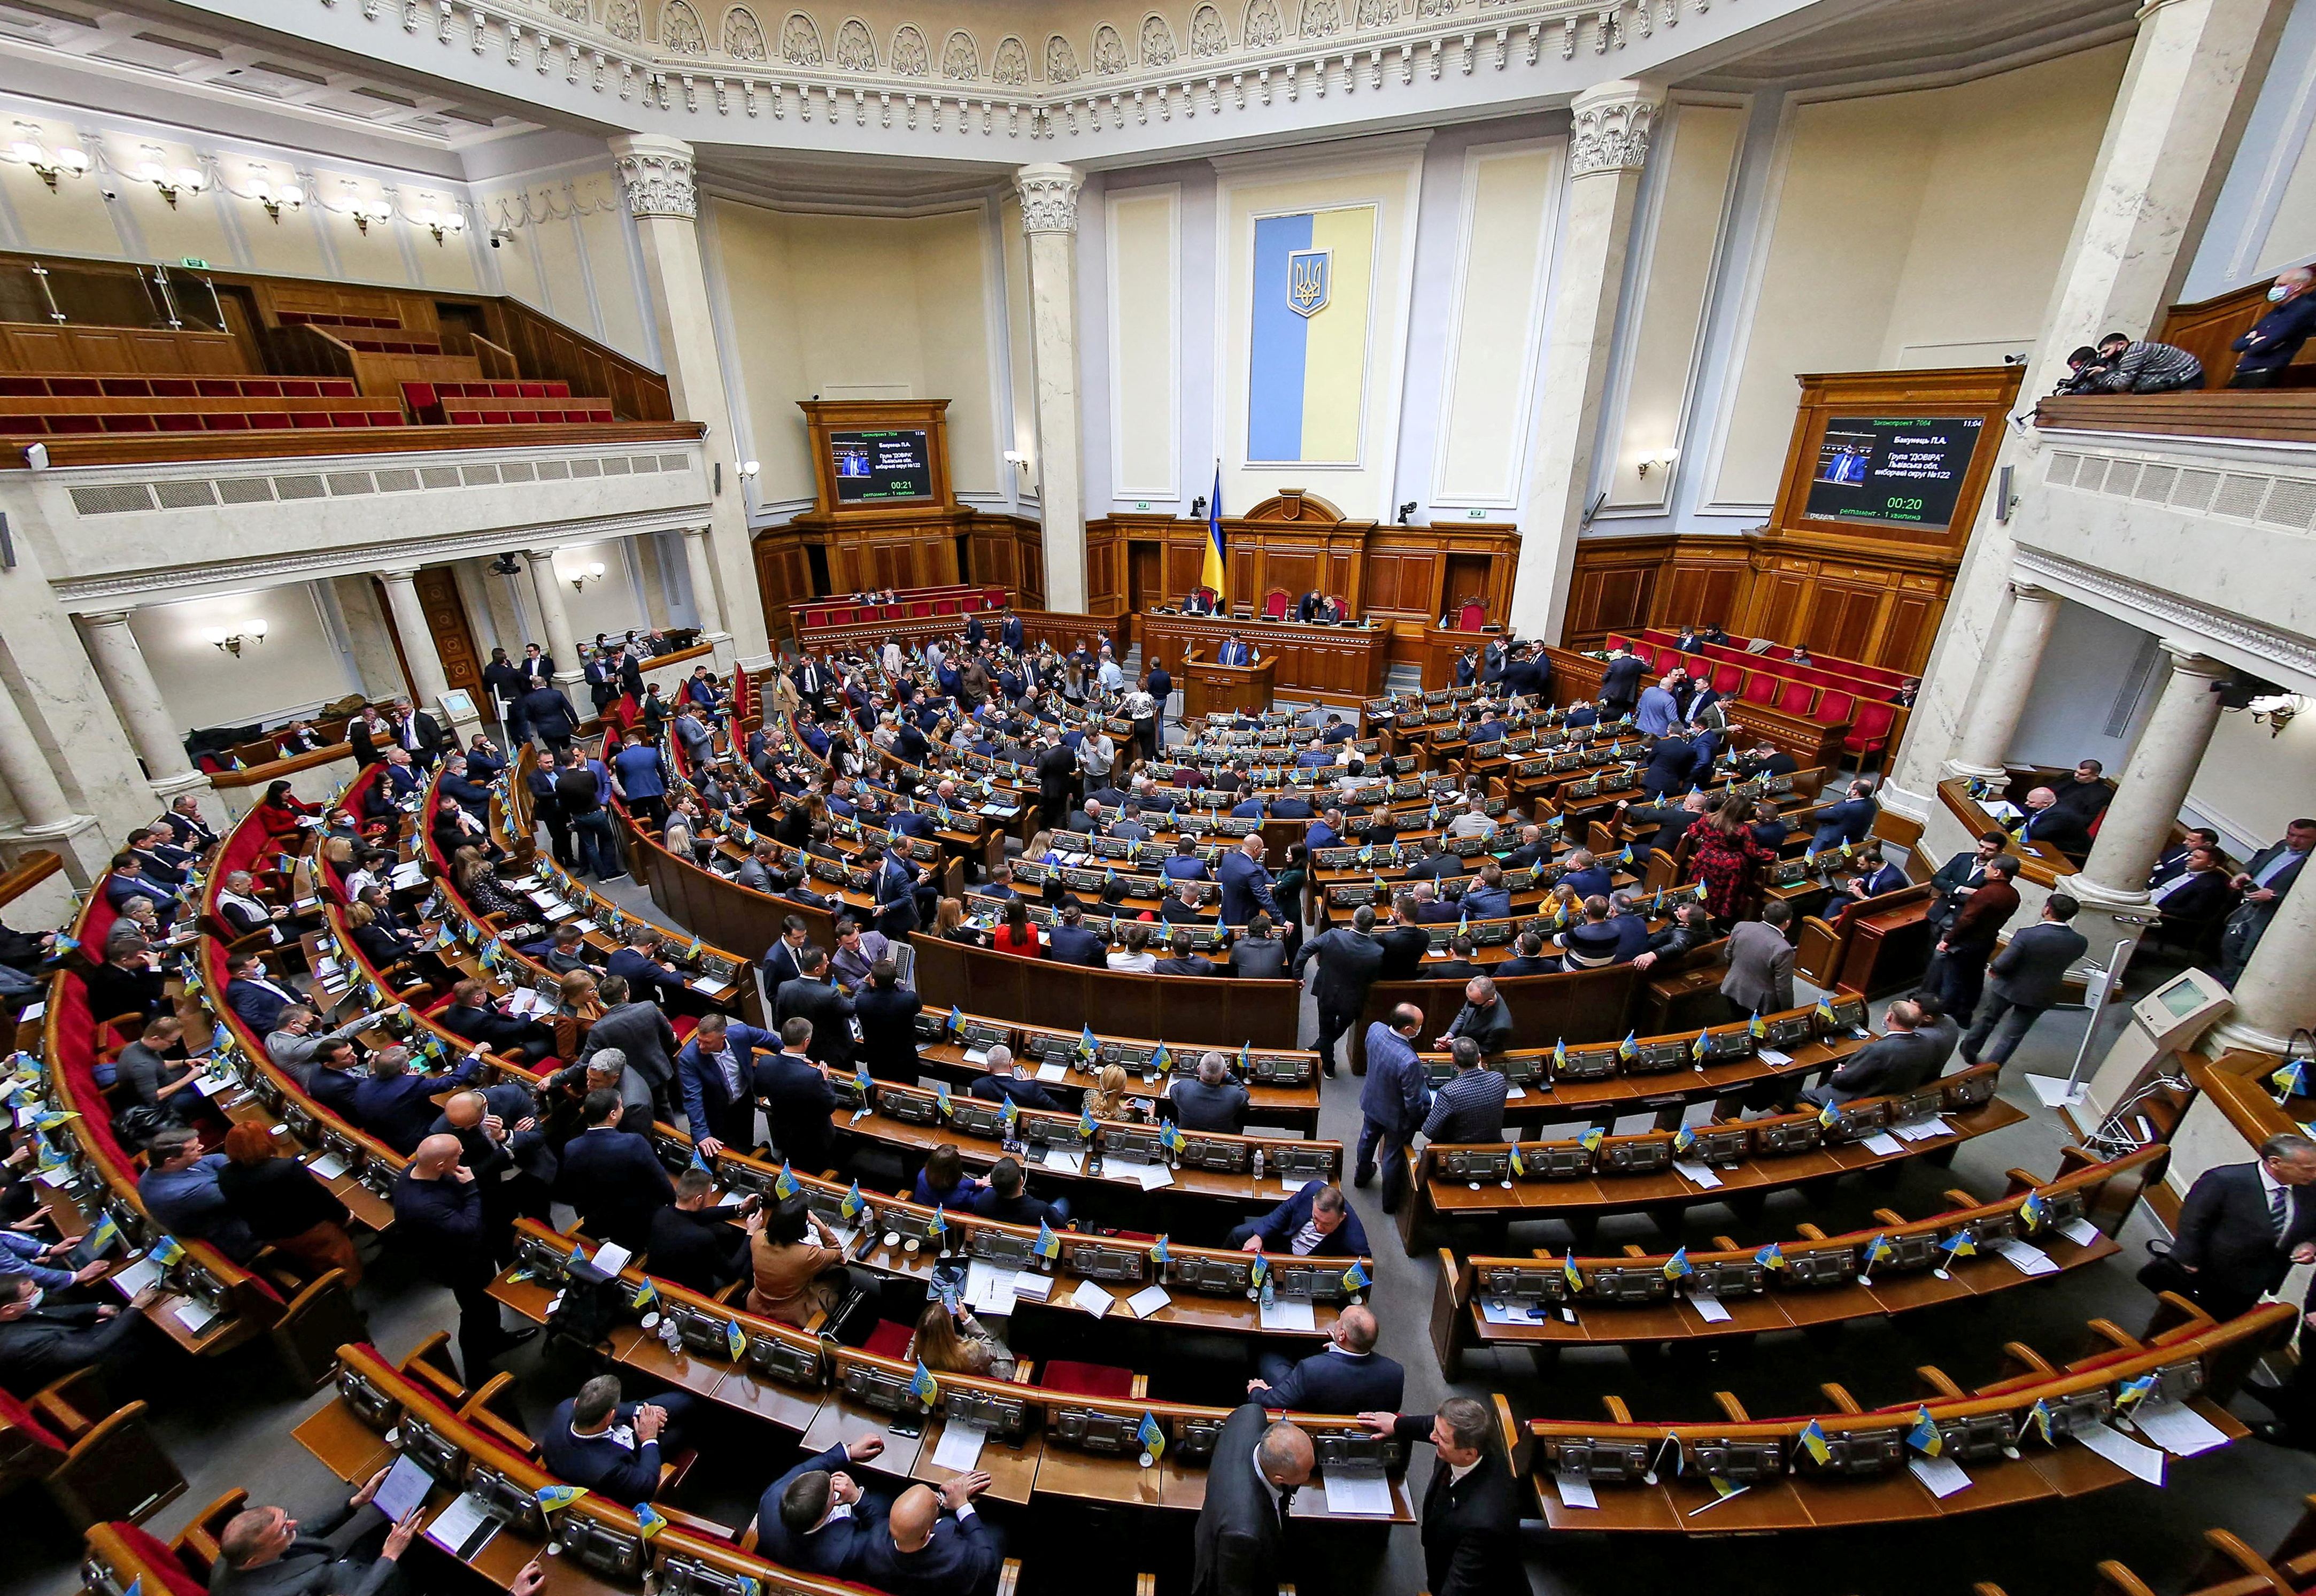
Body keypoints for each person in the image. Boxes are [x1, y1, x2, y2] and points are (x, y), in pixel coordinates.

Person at [1355, 1398, 1533, 1596]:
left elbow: (1460, 1586)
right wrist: (1397, 1424)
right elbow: (1434, 1425)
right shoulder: (1469, 1440)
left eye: (1441, 1438)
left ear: (1469, 1454)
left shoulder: (1485, 1523)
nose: (1432, 1437)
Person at [392, 1134, 534, 1383]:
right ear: (439, 1165)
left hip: (467, 1254)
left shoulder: (415, 1172)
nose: (462, 1157)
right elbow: (468, 1227)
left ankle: (496, 1337)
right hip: (460, 1264)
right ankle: (477, 1373)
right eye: (457, 1154)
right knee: (475, 1312)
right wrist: (471, 1188)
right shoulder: (425, 1206)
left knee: (486, 1306)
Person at [2170, 1133, 2316, 1321]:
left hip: (2258, 1281)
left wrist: (2311, 1244)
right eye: (2308, 1169)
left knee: (2222, 1330)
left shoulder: (2310, 1189)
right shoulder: (2224, 1180)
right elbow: (2193, 1221)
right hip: (2208, 1276)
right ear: (2275, 1162)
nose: (2314, 1175)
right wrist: (2187, 1259)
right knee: (2179, 1325)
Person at [210, 1471, 427, 1596]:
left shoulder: (235, 1546)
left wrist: (353, 1505)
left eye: (285, 1516)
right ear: (253, 1561)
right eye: (283, 1529)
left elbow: (299, 1533)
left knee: (393, 1529)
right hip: (363, 1589)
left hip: (337, 1567)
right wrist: (389, 1557)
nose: (293, 1523)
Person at [217, 1123, 360, 1284]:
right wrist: (345, 1216)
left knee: (312, 1258)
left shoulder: (225, 1175)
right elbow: (320, 1196)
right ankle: (350, 1284)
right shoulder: (286, 1168)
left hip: (273, 1236)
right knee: (342, 1260)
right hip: (310, 1231)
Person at [1191, 1406, 1313, 1596]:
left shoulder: (1251, 1414)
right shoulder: (1243, 1533)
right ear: (1280, 1478)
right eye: (1306, 1473)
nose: (1309, 1477)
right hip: (1233, 1564)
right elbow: (1234, 1590)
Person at [1960, 895, 2089, 1067]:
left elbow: (2003, 962)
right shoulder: (2080, 942)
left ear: (2047, 910)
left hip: (2008, 986)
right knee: (2013, 1036)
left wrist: (1995, 970)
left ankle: (1969, 1050)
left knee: (1989, 1019)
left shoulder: (2027, 935)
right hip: (2042, 992)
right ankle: (1988, 1071)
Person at [540, 1374, 697, 1502]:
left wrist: (639, 1410)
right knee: (685, 1428)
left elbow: (609, 1409)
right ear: (610, 1416)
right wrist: (649, 1438)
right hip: (636, 1452)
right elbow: (647, 1485)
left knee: (684, 1401)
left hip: (622, 1429)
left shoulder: (565, 1408)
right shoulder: (608, 1471)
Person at [557, 1088, 677, 1248]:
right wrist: (672, 1203)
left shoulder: (571, 1148)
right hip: (640, 1219)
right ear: (613, 1114)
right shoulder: (634, 1143)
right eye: (621, 1106)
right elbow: (661, 1184)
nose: (623, 1109)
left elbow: (574, 1190)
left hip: (600, 1220)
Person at [760, 1433, 892, 1577]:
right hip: (861, 1526)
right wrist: (856, 1497)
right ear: (820, 1520)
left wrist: (849, 1452)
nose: (836, 1486)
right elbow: (881, 1537)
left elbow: (806, 1467)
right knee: (884, 1500)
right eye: (833, 1494)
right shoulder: (844, 1553)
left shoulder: (772, 1497)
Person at [0, 1275, 151, 1394]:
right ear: (8, 1309)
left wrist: (95, 1309)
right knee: (143, 1333)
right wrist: (135, 1307)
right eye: (32, 1293)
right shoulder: (19, 1344)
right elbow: (92, 1349)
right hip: (82, 1374)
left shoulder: (11, 1315)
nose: (39, 1291)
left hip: (66, 1342)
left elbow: (46, 1315)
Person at [855, 1476, 1003, 1596]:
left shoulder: (874, 1544)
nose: (938, 1498)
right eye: (938, 1502)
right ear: (927, 1533)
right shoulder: (957, 1558)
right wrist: (962, 1505)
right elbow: (987, 1559)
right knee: (998, 1532)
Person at [1925, 854, 2020, 1025]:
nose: (1986, 868)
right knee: (1974, 979)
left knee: (1952, 981)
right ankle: (1964, 1015)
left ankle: (1943, 1018)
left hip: (1965, 944)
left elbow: (1967, 920)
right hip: (1986, 942)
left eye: (1990, 867)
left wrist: (1947, 940)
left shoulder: (1985, 893)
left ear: (1998, 872)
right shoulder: (2014, 894)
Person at [747, 1191, 866, 1327]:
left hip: (757, 1303)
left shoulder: (757, 1238)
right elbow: (836, 1251)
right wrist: (818, 1222)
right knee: (841, 1274)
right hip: (792, 1314)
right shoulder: (807, 1255)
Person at [140, 1127, 258, 1260]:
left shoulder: (161, 1168)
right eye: (193, 1149)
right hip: (246, 1235)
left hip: (233, 1206)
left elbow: (217, 1158)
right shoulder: (181, 1194)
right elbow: (245, 1190)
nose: (201, 1147)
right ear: (171, 1161)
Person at [2221, 818, 2316, 984]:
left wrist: (2275, 895)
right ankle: (2225, 982)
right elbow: (2257, 862)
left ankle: (2236, 989)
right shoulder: (2281, 846)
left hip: (2272, 914)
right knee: (2229, 944)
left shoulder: (2312, 863)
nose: (2294, 840)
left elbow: (2309, 896)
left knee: (2248, 956)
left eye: (2303, 837)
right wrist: (2244, 873)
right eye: (2291, 834)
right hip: (2249, 903)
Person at [1294, 903, 1384, 1078]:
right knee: (1339, 1027)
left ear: (1353, 920)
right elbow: (1372, 979)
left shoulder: (1333, 935)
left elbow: (1305, 949)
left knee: (1325, 1030)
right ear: (1373, 926)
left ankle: (1324, 1055)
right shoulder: (1377, 951)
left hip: (1327, 991)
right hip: (1353, 998)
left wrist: (1298, 975)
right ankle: (1328, 1062)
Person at [1799, 1001, 1937, 1107]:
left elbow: (1842, 1081)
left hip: (1859, 1098)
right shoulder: (1928, 1043)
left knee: (1801, 1097)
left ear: (1889, 1017)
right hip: (1894, 1094)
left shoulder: (1878, 1050)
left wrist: (1839, 1073)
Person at [678, 1011, 776, 1155]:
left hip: (744, 1100)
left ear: (723, 1038)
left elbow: (772, 1041)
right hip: (716, 1109)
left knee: (746, 1137)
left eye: (707, 1043)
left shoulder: (741, 1033)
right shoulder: (689, 1058)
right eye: (699, 1040)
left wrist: (792, 1059)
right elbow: (693, 1099)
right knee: (727, 1148)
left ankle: (751, 1152)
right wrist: (702, 1135)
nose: (701, 1046)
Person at [647, 1168, 754, 1295]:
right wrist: (750, 1234)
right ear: (698, 1199)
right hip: (692, 1293)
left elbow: (698, 1216)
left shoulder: (662, 1213)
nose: (710, 1196)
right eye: (709, 1193)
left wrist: (739, 1209)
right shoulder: (702, 1238)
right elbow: (731, 1274)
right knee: (749, 1262)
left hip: (660, 1280)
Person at [756, 1017, 840, 1175]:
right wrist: (824, 1080)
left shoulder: (765, 1062)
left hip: (784, 1132)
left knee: (794, 1163)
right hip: (815, 1138)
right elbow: (831, 1104)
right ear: (806, 1042)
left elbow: (759, 1091)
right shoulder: (813, 1076)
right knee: (818, 1170)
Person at [1229, 1179, 1368, 1256]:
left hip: (1306, 1265)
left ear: (1341, 1218)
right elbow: (1285, 1211)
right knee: (1237, 1234)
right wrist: (1259, 1236)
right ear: (1314, 1201)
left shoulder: (1356, 1243)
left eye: (1326, 1224)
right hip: (1282, 1237)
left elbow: (1362, 1269)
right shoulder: (1312, 1189)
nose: (1318, 1227)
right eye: (1316, 1219)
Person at [2230, 266, 2316, 387]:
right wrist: (2251, 341)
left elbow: (2259, 347)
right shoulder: (2276, 311)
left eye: (2281, 285)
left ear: (2298, 287)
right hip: (2244, 371)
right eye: (2275, 285)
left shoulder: (2304, 309)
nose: (2275, 289)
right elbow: (2236, 345)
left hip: (2265, 374)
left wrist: (2252, 340)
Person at [1421, 1039, 1507, 1144]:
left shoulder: (1449, 1092)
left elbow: (1429, 1131)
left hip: (1457, 1150)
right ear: (1479, 1058)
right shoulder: (1499, 1080)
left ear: (1453, 1060)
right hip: (1494, 1148)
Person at [914, 1297, 1017, 1380]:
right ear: (948, 1329)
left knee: (991, 1327)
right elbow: (990, 1350)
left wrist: (936, 1317)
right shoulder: (970, 1352)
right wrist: (966, 1319)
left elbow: (921, 1335)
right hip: (997, 1372)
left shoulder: (916, 1352)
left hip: (958, 1366)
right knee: (997, 1321)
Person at [2085, 329, 2205, 393]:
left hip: (2188, 379)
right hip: (2180, 376)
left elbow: (2121, 385)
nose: (2105, 356)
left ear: (2121, 345)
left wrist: (2104, 372)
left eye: (2107, 351)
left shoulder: (2135, 352)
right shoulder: (2128, 353)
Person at [972, 1156, 1071, 1228]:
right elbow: (1060, 1225)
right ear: (1022, 1181)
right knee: (1063, 1201)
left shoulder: (983, 1200)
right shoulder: (1041, 1210)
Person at [1169, 1052, 1250, 1133]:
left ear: (1198, 1069)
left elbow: (1172, 1092)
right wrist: (1228, 1075)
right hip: (1222, 1139)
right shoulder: (1233, 1094)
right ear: (1223, 1074)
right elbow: (1245, 1093)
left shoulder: (1184, 1087)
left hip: (1186, 1138)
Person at [2007, 787, 2093, 860]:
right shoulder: (2038, 806)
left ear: (2046, 804)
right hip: (2047, 842)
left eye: (2031, 802)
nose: (2027, 803)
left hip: (2067, 851)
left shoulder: (2061, 816)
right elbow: (2021, 811)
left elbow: (2036, 834)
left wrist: (2012, 826)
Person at [1440, 976, 1512, 1057]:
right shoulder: (1481, 996)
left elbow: (1486, 1050)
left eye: (1472, 1001)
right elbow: (1463, 1014)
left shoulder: (1500, 1027)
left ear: (1489, 1002)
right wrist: (1449, 1036)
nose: (1469, 1002)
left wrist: (1458, 1044)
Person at [1807, 777, 1880, 850]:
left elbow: (1819, 815)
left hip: (1833, 841)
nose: (1848, 788)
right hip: (1854, 838)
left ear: (1855, 792)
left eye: (1850, 787)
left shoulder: (1846, 809)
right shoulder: (1871, 803)